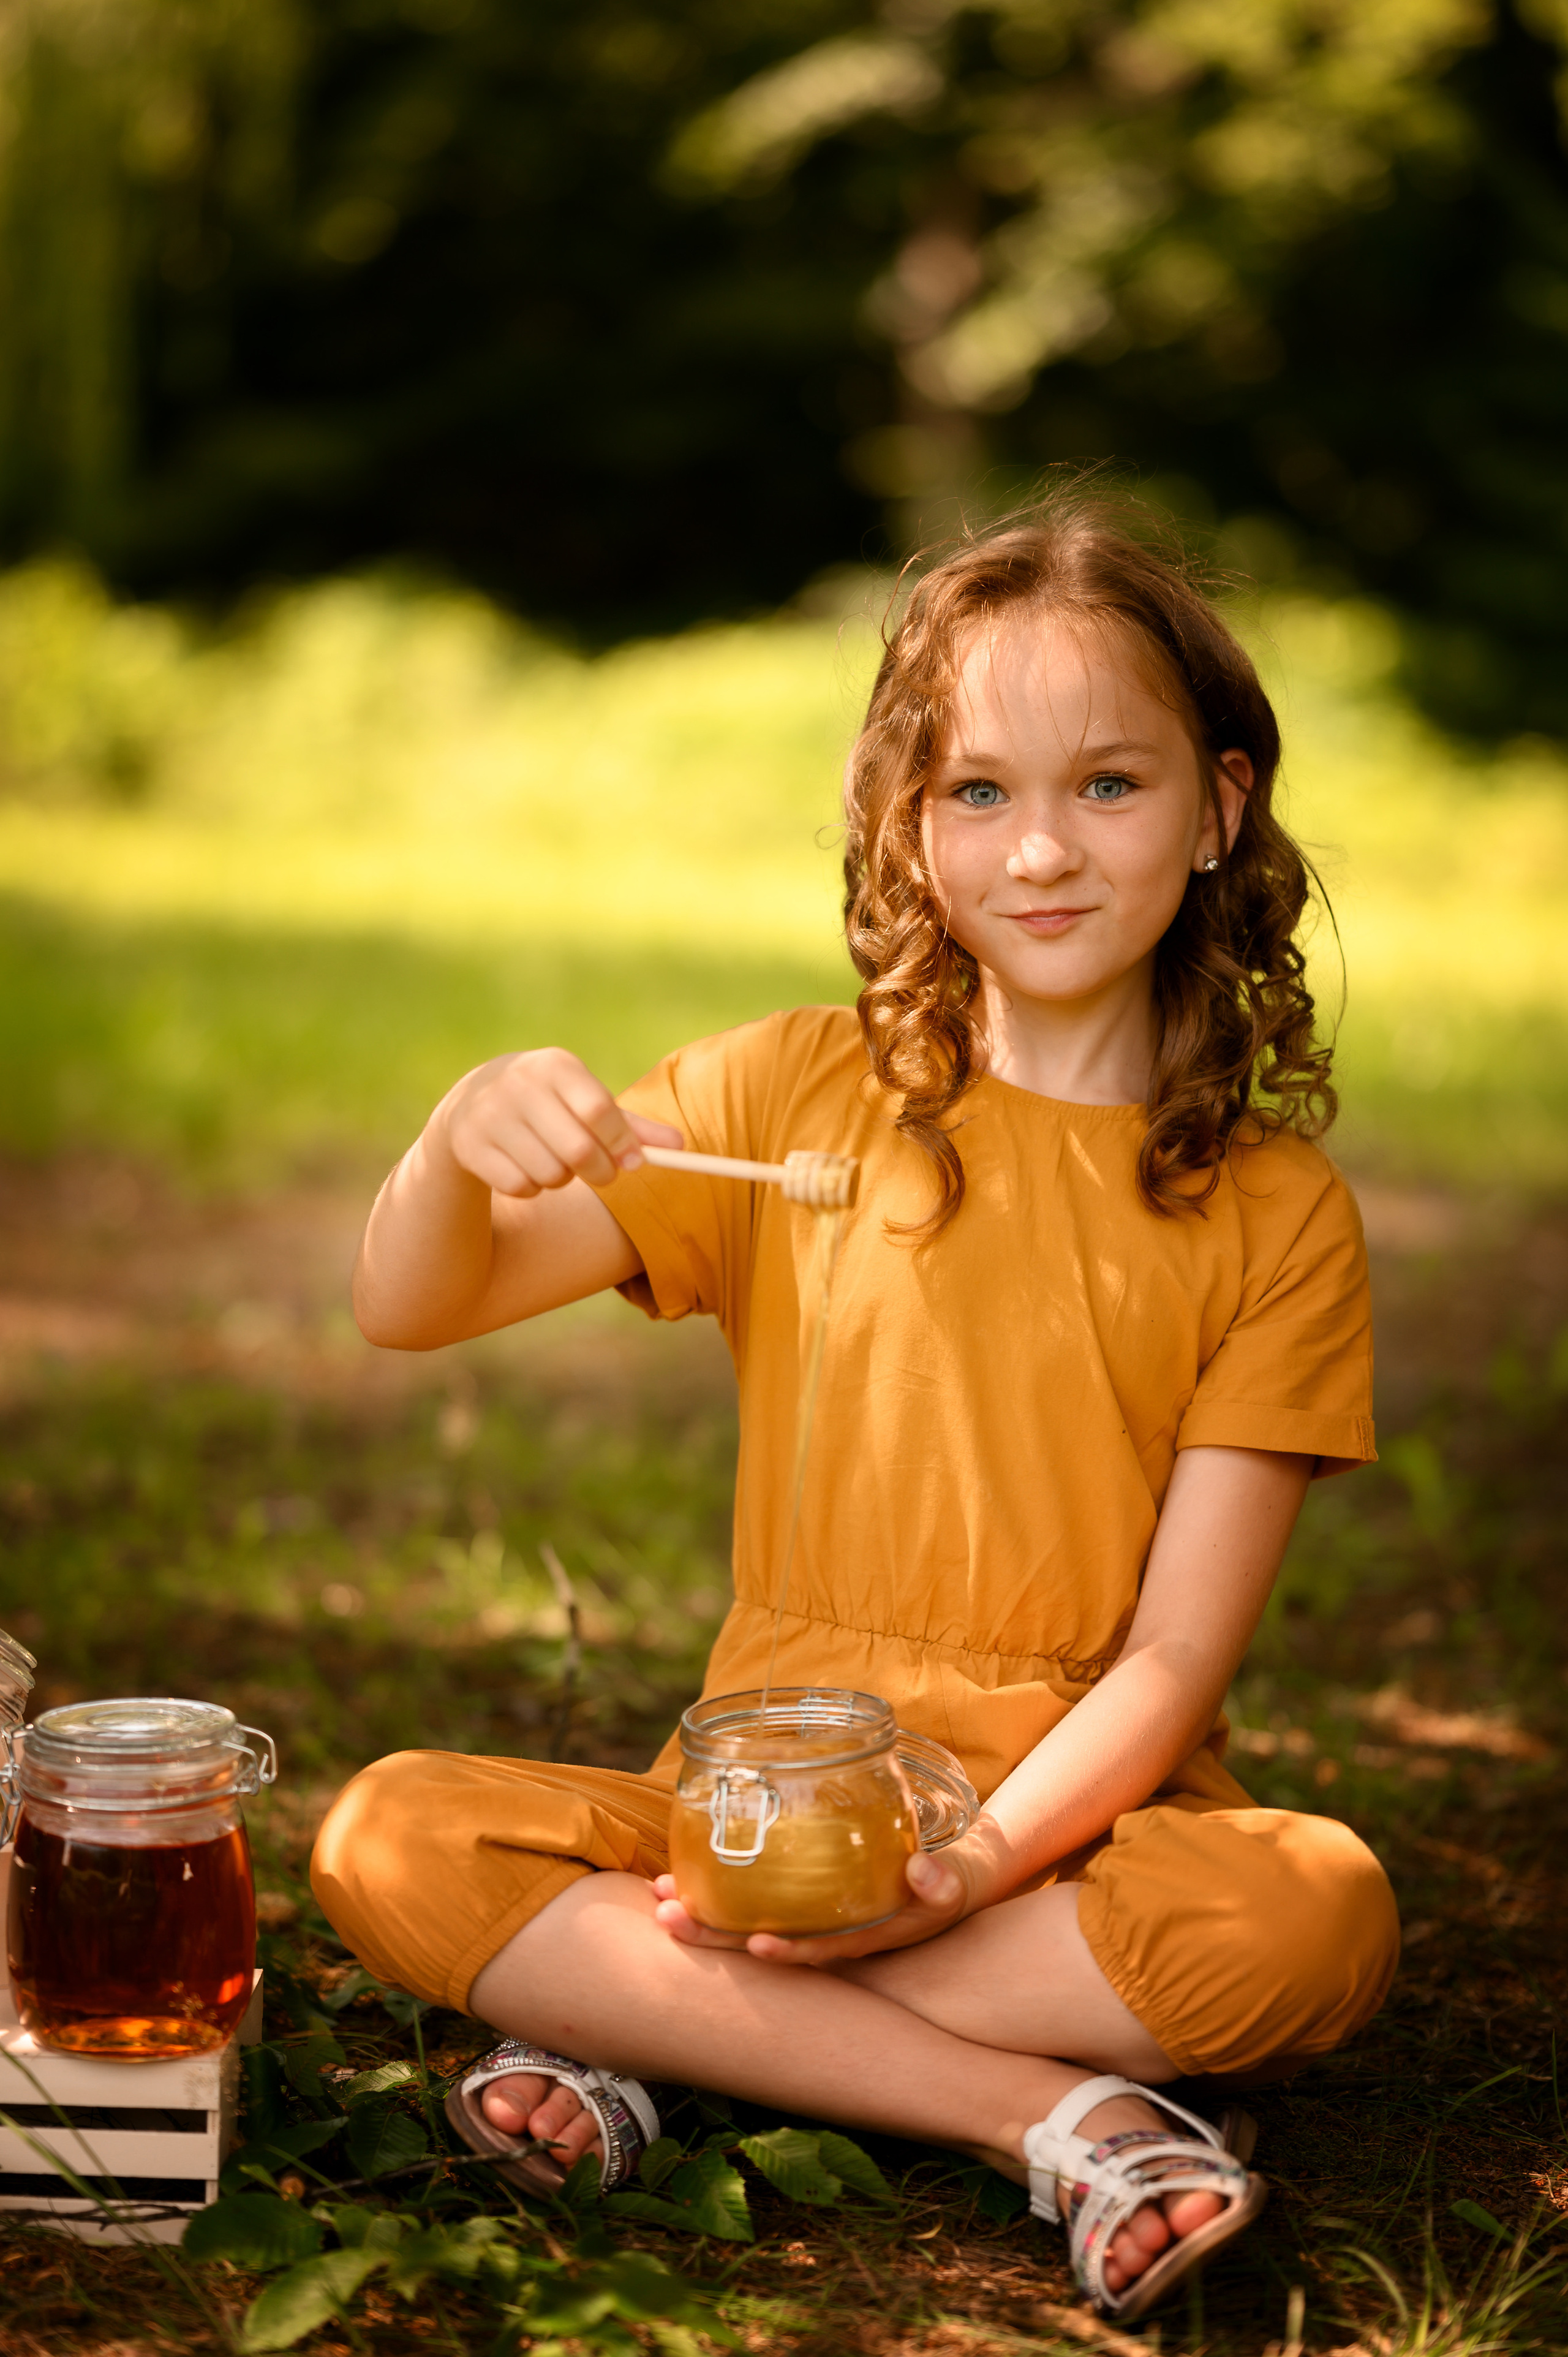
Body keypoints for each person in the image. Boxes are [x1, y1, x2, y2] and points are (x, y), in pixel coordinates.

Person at [311, 490, 1400, 2322]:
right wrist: (450, 1142)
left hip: (1065, 1836)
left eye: (1107, 787)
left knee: (1317, 1913)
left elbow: (1168, 1665)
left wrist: (968, 1862)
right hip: (753, 1818)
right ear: (910, 828)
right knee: (382, 1835)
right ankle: (1049, 2120)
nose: (1041, 849)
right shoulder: (791, 1099)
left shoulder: (1278, 1215)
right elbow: (412, 1304)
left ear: (1218, 810)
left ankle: (663, 2044)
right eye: (978, 793)